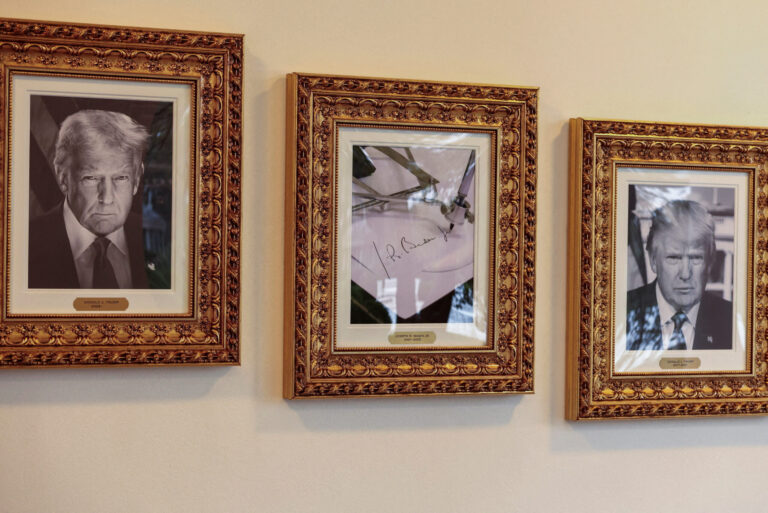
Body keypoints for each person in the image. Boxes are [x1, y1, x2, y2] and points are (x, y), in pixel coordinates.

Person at [28, 110, 150, 289]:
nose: (107, 198)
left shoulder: (162, 244)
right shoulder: (22, 244)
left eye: (121, 178)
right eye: (91, 178)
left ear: (137, 180)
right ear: (63, 179)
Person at [626, 199, 732, 350]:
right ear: (653, 260)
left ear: (710, 261)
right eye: (674, 258)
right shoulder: (621, 314)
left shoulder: (733, 321)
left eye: (695, 258)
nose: (685, 274)